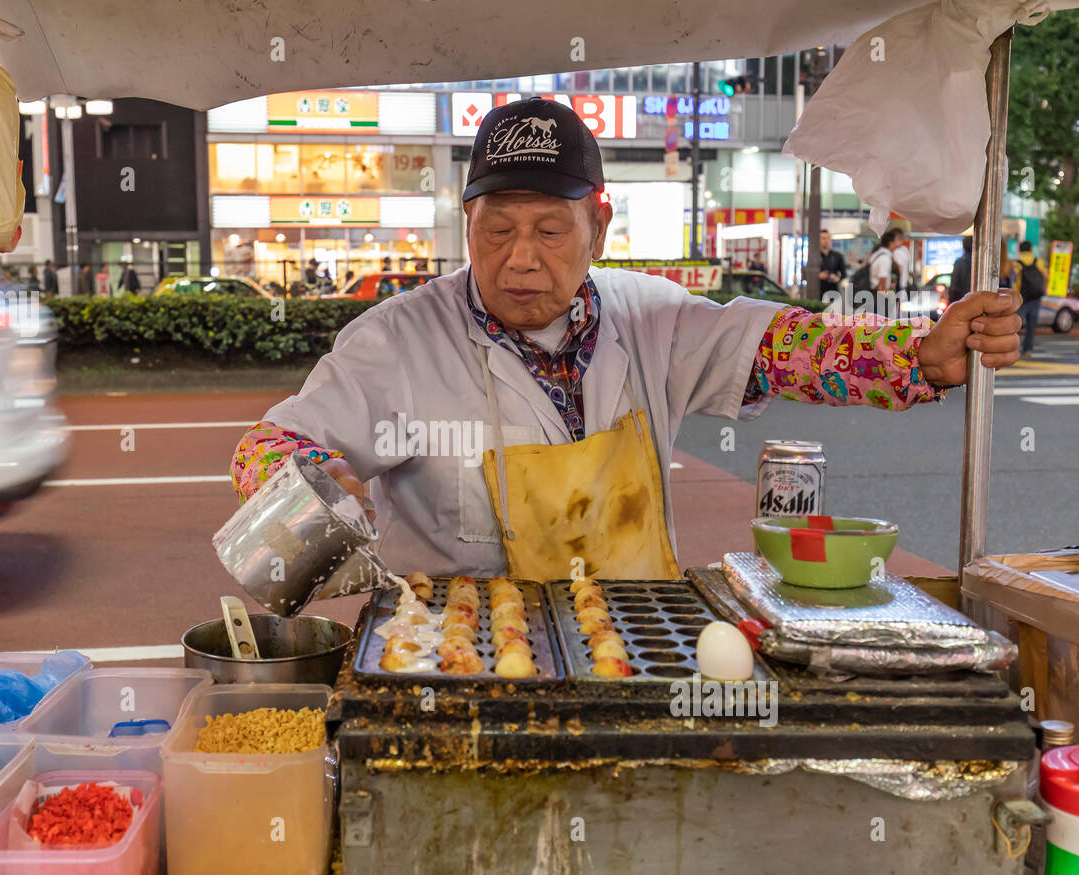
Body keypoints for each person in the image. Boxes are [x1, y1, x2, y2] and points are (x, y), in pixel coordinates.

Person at [230, 96, 1021, 578]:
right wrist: (322, 484)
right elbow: (267, 447)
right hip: (460, 664)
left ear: (598, 228)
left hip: (635, 648)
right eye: (497, 229)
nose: (521, 259)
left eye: (549, 229)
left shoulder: (653, 318)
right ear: (465, 224)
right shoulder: (398, 340)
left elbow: (782, 345)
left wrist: (917, 358)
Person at [1014, 240, 1046, 357]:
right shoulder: (1039, 262)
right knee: (1031, 325)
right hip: (1035, 297)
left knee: (1015, 324)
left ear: (1020, 250)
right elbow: (1045, 276)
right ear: (1031, 249)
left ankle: (1012, 347)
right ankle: (1028, 350)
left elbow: (1015, 281)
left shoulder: (1017, 263)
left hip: (1021, 297)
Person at [816, 229, 846, 297]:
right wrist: (818, 276)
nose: (826, 241)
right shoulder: (814, 256)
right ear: (819, 240)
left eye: (828, 238)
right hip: (817, 293)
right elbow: (807, 274)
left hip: (833, 292)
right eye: (823, 238)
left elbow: (844, 275)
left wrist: (837, 279)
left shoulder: (837, 256)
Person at [949, 237, 972, 302]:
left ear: (963, 247)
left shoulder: (959, 262)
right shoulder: (981, 262)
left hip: (962, 300)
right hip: (978, 300)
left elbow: (954, 284)